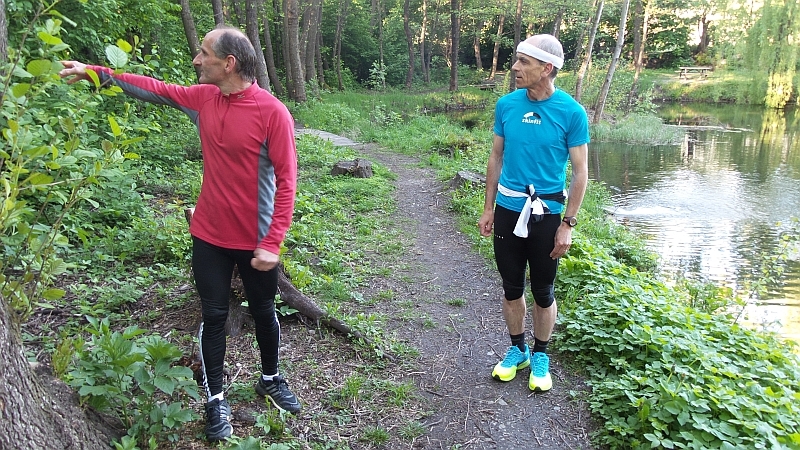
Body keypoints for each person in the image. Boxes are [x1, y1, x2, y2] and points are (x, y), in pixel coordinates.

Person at [60, 26, 301, 441]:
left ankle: (270, 377)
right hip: (209, 234)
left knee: (264, 311)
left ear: (228, 63)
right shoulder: (204, 99)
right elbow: (153, 88)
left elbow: (287, 181)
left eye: (203, 53)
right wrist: (96, 72)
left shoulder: (272, 112)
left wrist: (273, 240)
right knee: (213, 315)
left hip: (256, 240)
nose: (196, 60)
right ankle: (215, 400)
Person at [477, 34, 589, 393]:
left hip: (547, 215)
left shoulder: (571, 112)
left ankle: (541, 354)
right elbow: (496, 156)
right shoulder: (507, 105)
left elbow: (581, 172)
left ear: (547, 68)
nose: (515, 68)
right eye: (517, 60)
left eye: (524, 62)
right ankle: (517, 349)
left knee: (542, 290)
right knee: (511, 288)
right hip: (508, 210)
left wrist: (568, 224)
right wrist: (488, 207)